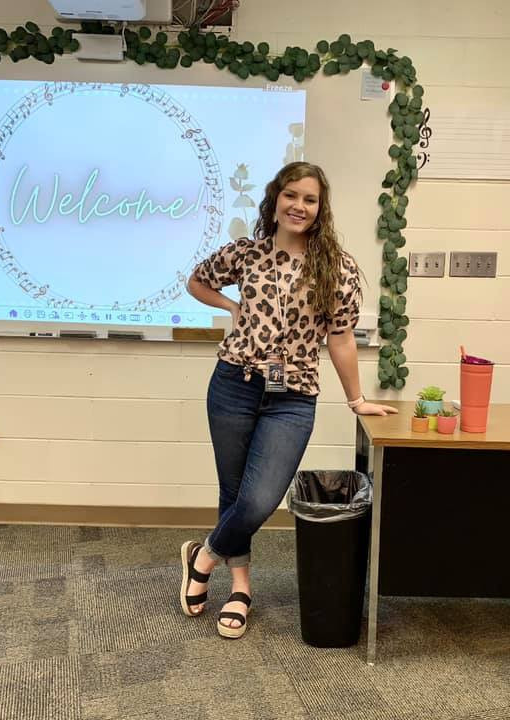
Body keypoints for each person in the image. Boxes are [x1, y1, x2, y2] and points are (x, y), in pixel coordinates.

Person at [179, 161, 398, 639]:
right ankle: (240, 589)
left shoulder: (336, 267)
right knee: (233, 493)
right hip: (234, 383)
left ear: (321, 208)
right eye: (291, 195)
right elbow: (197, 280)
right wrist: (232, 305)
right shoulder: (247, 253)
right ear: (275, 199)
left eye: (310, 199)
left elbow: (340, 338)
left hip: (292, 397)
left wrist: (357, 399)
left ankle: (204, 556)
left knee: (260, 498)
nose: (299, 206)